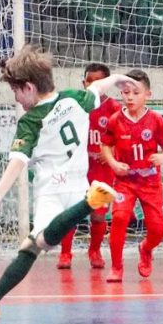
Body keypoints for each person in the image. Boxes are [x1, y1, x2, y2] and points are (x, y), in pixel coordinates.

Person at [0, 44, 137, 321]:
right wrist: (118, 78)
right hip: (78, 186)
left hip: (52, 190)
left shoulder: (31, 121)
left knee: (39, 243)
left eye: (15, 91)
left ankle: (92, 202)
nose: (15, 98)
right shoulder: (74, 98)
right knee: (31, 247)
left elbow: (18, 160)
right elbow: (98, 89)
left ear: (28, 87)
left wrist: (0, 191)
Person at [101, 69, 163, 282]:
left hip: (150, 182)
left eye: (135, 92)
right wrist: (113, 163)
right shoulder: (115, 120)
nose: (130, 97)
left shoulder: (156, 120)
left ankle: (146, 248)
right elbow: (105, 145)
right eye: (125, 93)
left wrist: (162, 157)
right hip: (125, 181)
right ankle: (116, 267)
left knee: (158, 229)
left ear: (147, 94)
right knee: (120, 218)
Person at [57, 63, 121, 270]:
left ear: (106, 85)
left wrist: (110, 154)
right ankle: (65, 253)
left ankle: (94, 250)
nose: (92, 84)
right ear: (83, 83)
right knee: (72, 212)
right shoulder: (73, 106)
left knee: (98, 214)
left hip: (102, 170)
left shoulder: (114, 109)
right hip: (77, 169)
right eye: (89, 81)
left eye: (97, 81)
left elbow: (123, 139)